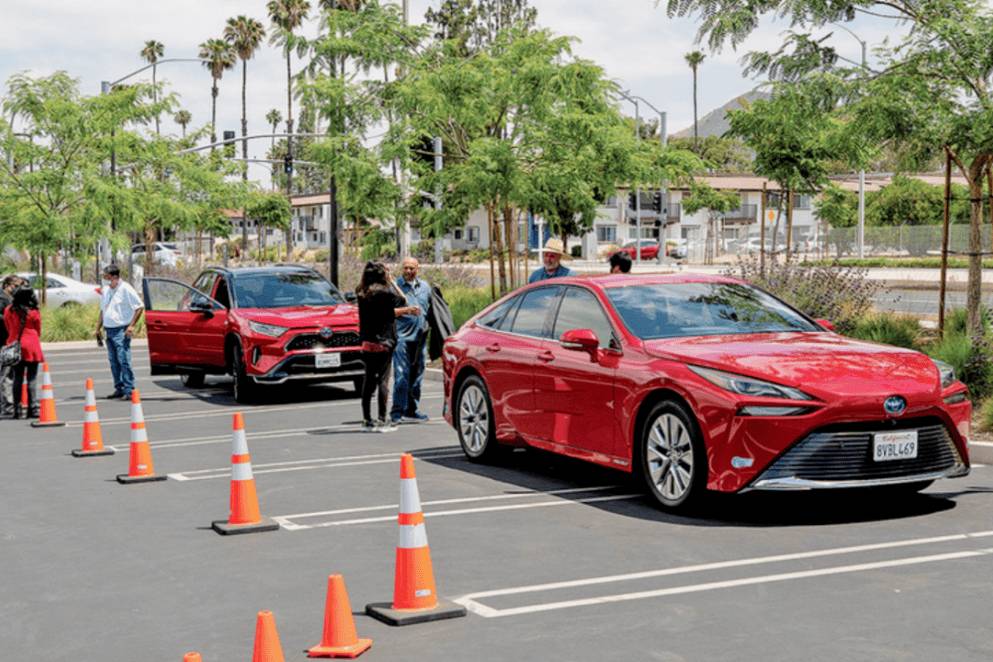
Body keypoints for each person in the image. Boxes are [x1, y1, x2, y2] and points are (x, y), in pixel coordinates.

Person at [356, 261, 420, 432]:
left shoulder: (361, 292)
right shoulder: (385, 293)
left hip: (367, 342)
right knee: (383, 381)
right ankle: (382, 420)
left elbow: (386, 312)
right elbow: (403, 300)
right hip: (384, 342)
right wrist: (392, 281)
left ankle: (366, 419)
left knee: (369, 380)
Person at [391, 257, 432, 424]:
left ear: (418, 268)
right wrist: (406, 310)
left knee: (417, 376)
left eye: (412, 268)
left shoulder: (425, 287)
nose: (408, 271)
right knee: (401, 375)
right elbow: (388, 312)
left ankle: (412, 409)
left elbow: (431, 309)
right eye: (406, 268)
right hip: (401, 338)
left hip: (420, 338)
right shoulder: (395, 287)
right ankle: (397, 412)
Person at [95, 265, 144, 400]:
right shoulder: (106, 290)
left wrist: (131, 326)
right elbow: (102, 310)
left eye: (105, 275)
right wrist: (98, 327)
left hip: (121, 329)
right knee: (113, 361)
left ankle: (129, 389)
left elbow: (139, 307)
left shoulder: (125, 288)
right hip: (108, 329)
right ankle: (119, 387)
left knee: (124, 360)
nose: (104, 277)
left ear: (113, 276)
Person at [4, 286, 43, 420]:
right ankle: (32, 408)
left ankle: (17, 409)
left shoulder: (9, 310)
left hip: (15, 345)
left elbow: (8, 327)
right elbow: (38, 329)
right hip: (31, 345)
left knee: (17, 378)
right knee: (31, 378)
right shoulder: (33, 312)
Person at [0, 275, 21, 418]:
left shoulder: (11, 299)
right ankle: (7, 407)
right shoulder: (3, 299)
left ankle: (9, 405)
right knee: (6, 375)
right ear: (7, 285)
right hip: (4, 341)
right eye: (15, 285)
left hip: (9, 341)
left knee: (10, 374)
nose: (17, 288)